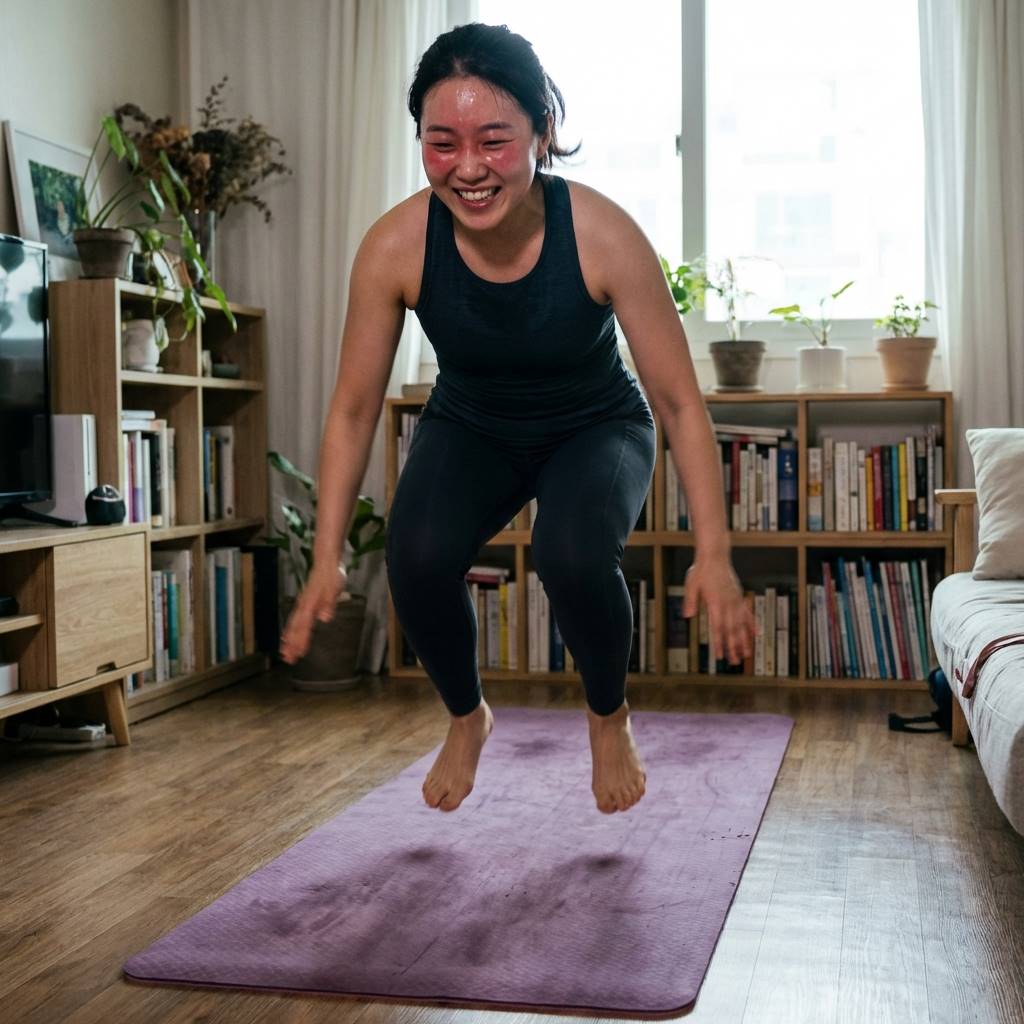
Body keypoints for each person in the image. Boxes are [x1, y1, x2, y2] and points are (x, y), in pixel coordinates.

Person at [279, 23, 756, 817]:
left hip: (597, 425)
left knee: (570, 554)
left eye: (494, 140)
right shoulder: (395, 246)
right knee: (418, 553)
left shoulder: (601, 233)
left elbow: (677, 401)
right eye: (442, 143)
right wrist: (326, 556)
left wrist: (713, 552)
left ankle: (608, 716)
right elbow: (355, 407)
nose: (468, 168)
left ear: (544, 131)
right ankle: (468, 717)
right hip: (473, 424)